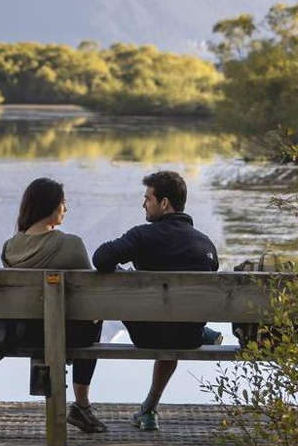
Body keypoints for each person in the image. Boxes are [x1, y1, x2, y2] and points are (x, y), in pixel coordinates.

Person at [92, 170, 220, 431]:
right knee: (176, 321)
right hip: (187, 336)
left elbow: (101, 258)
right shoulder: (206, 245)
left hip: (147, 335)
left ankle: (148, 409)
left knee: (124, 281)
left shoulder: (142, 236)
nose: (143, 205)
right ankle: (150, 407)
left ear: (164, 203)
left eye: (147, 199)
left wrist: (125, 274)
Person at [1, 177, 107, 434]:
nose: (65, 209)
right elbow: (91, 297)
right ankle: (82, 404)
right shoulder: (71, 245)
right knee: (94, 318)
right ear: (49, 206)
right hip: (70, 336)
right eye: (63, 203)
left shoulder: (9, 248)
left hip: (24, 335)